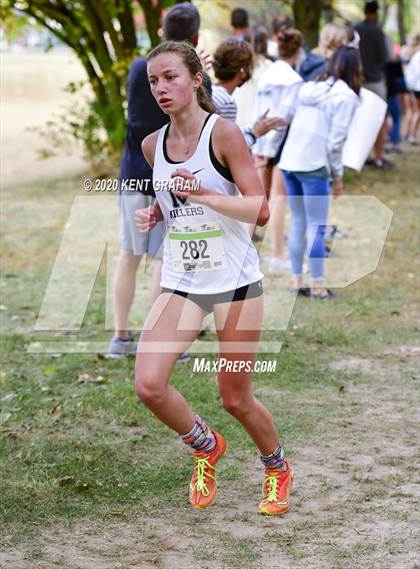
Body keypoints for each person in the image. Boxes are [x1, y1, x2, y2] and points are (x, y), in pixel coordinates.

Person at [134, 40, 294, 516]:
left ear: (196, 79)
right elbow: (176, 198)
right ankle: (206, 446)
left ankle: (276, 466)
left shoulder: (222, 134)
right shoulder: (151, 145)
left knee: (236, 398)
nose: (161, 88)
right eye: (153, 81)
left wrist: (205, 194)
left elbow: (259, 209)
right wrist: (159, 214)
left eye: (170, 77)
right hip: (183, 281)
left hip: (234, 282)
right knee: (149, 385)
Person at [108, 2, 209, 360]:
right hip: (173, 176)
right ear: (195, 38)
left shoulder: (139, 69)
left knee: (129, 255)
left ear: (162, 32)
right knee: (165, 261)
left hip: (134, 174)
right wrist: (202, 74)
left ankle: (120, 337)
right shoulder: (197, 80)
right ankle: (161, 340)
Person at [279, 47, 361, 298]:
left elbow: (287, 117)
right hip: (314, 165)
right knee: (316, 226)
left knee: (298, 222)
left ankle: (296, 281)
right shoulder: (345, 97)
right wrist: (337, 176)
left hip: (290, 161)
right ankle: (318, 286)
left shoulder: (308, 88)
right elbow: (336, 142)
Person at [253, 29, 304, 272]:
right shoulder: (294, 80)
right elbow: (284, 117)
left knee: (259, 197)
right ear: (298, 50)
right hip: (280, 144)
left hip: (263, 141)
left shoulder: (267, 74)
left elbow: (260, 112)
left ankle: (248, 253)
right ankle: (277, 255)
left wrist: (260, 146)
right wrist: (270, 149)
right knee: (278, 198)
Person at [355, 0, 393, 170]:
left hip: (358, 81)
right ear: (376, 12)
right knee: (379, 120)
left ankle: (361, 157)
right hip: (376, 81)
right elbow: (385, 57)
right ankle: (378, 157)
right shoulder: (377, 31)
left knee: (359, 120)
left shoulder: (356, 29)